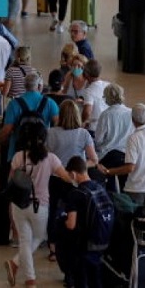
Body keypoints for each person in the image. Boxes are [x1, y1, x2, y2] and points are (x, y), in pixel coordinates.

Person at [3, 122, 71, 288]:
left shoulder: (19, 157)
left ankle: (29, 280)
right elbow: (67, 177)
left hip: (19, 204)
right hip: (40, 206)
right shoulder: (51, 158)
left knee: (25, 241)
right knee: (40, 237)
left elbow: (10, 181)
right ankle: (16, 265)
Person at [45, 99, 97, 264]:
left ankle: (53, 248)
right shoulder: (83, 134)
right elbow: (94, 159)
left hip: (55, 178)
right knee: (76, 212)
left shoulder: (50, 133)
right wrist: (79, 168)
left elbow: (45, 157)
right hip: (76, 181)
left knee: (53, 211)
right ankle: (73, 243)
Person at [0, 72, 60, 191]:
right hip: (41, 152)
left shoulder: (14, 104)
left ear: (25, 86)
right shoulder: (49, 103)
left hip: (17, 152)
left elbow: (7, 130)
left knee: (15, 187)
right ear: (39, 86)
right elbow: (59, 125)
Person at [99, 103, 145, 204]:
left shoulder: (133, 138)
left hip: (136, 188)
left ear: (132, 118)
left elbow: (130, 168)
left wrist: (107, 172)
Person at [62, 156, 109, 288]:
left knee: (81, 280)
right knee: (96, 280)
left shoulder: (75, 193)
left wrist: (63, 222)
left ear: (73, 173)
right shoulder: (100, 188)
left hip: (83, 246)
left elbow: (71, 225)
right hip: (101, 242)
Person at [94, 83, 134, 191]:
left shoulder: (106, 115)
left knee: (109, 187)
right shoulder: (131, 113)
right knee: (125, 187)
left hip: (108, 156)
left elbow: (98, 139)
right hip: (126, 155)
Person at [80, 59, 109, 135]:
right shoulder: (108, 85)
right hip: (109, 126)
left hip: (95, 129)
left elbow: (87, 112)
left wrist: (82, 122)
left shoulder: (89, 91)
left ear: (86, 74)